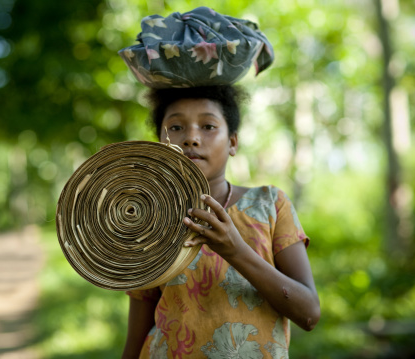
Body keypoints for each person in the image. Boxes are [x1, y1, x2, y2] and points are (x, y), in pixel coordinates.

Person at [119, 7, 320, 358]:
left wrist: (236, 250)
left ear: (233, 142)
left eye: (208, 126)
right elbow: (138, 327)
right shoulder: (150, 218)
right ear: (160, 144)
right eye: (176, 127)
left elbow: (309, 313)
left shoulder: (270, 205)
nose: (191, 138)